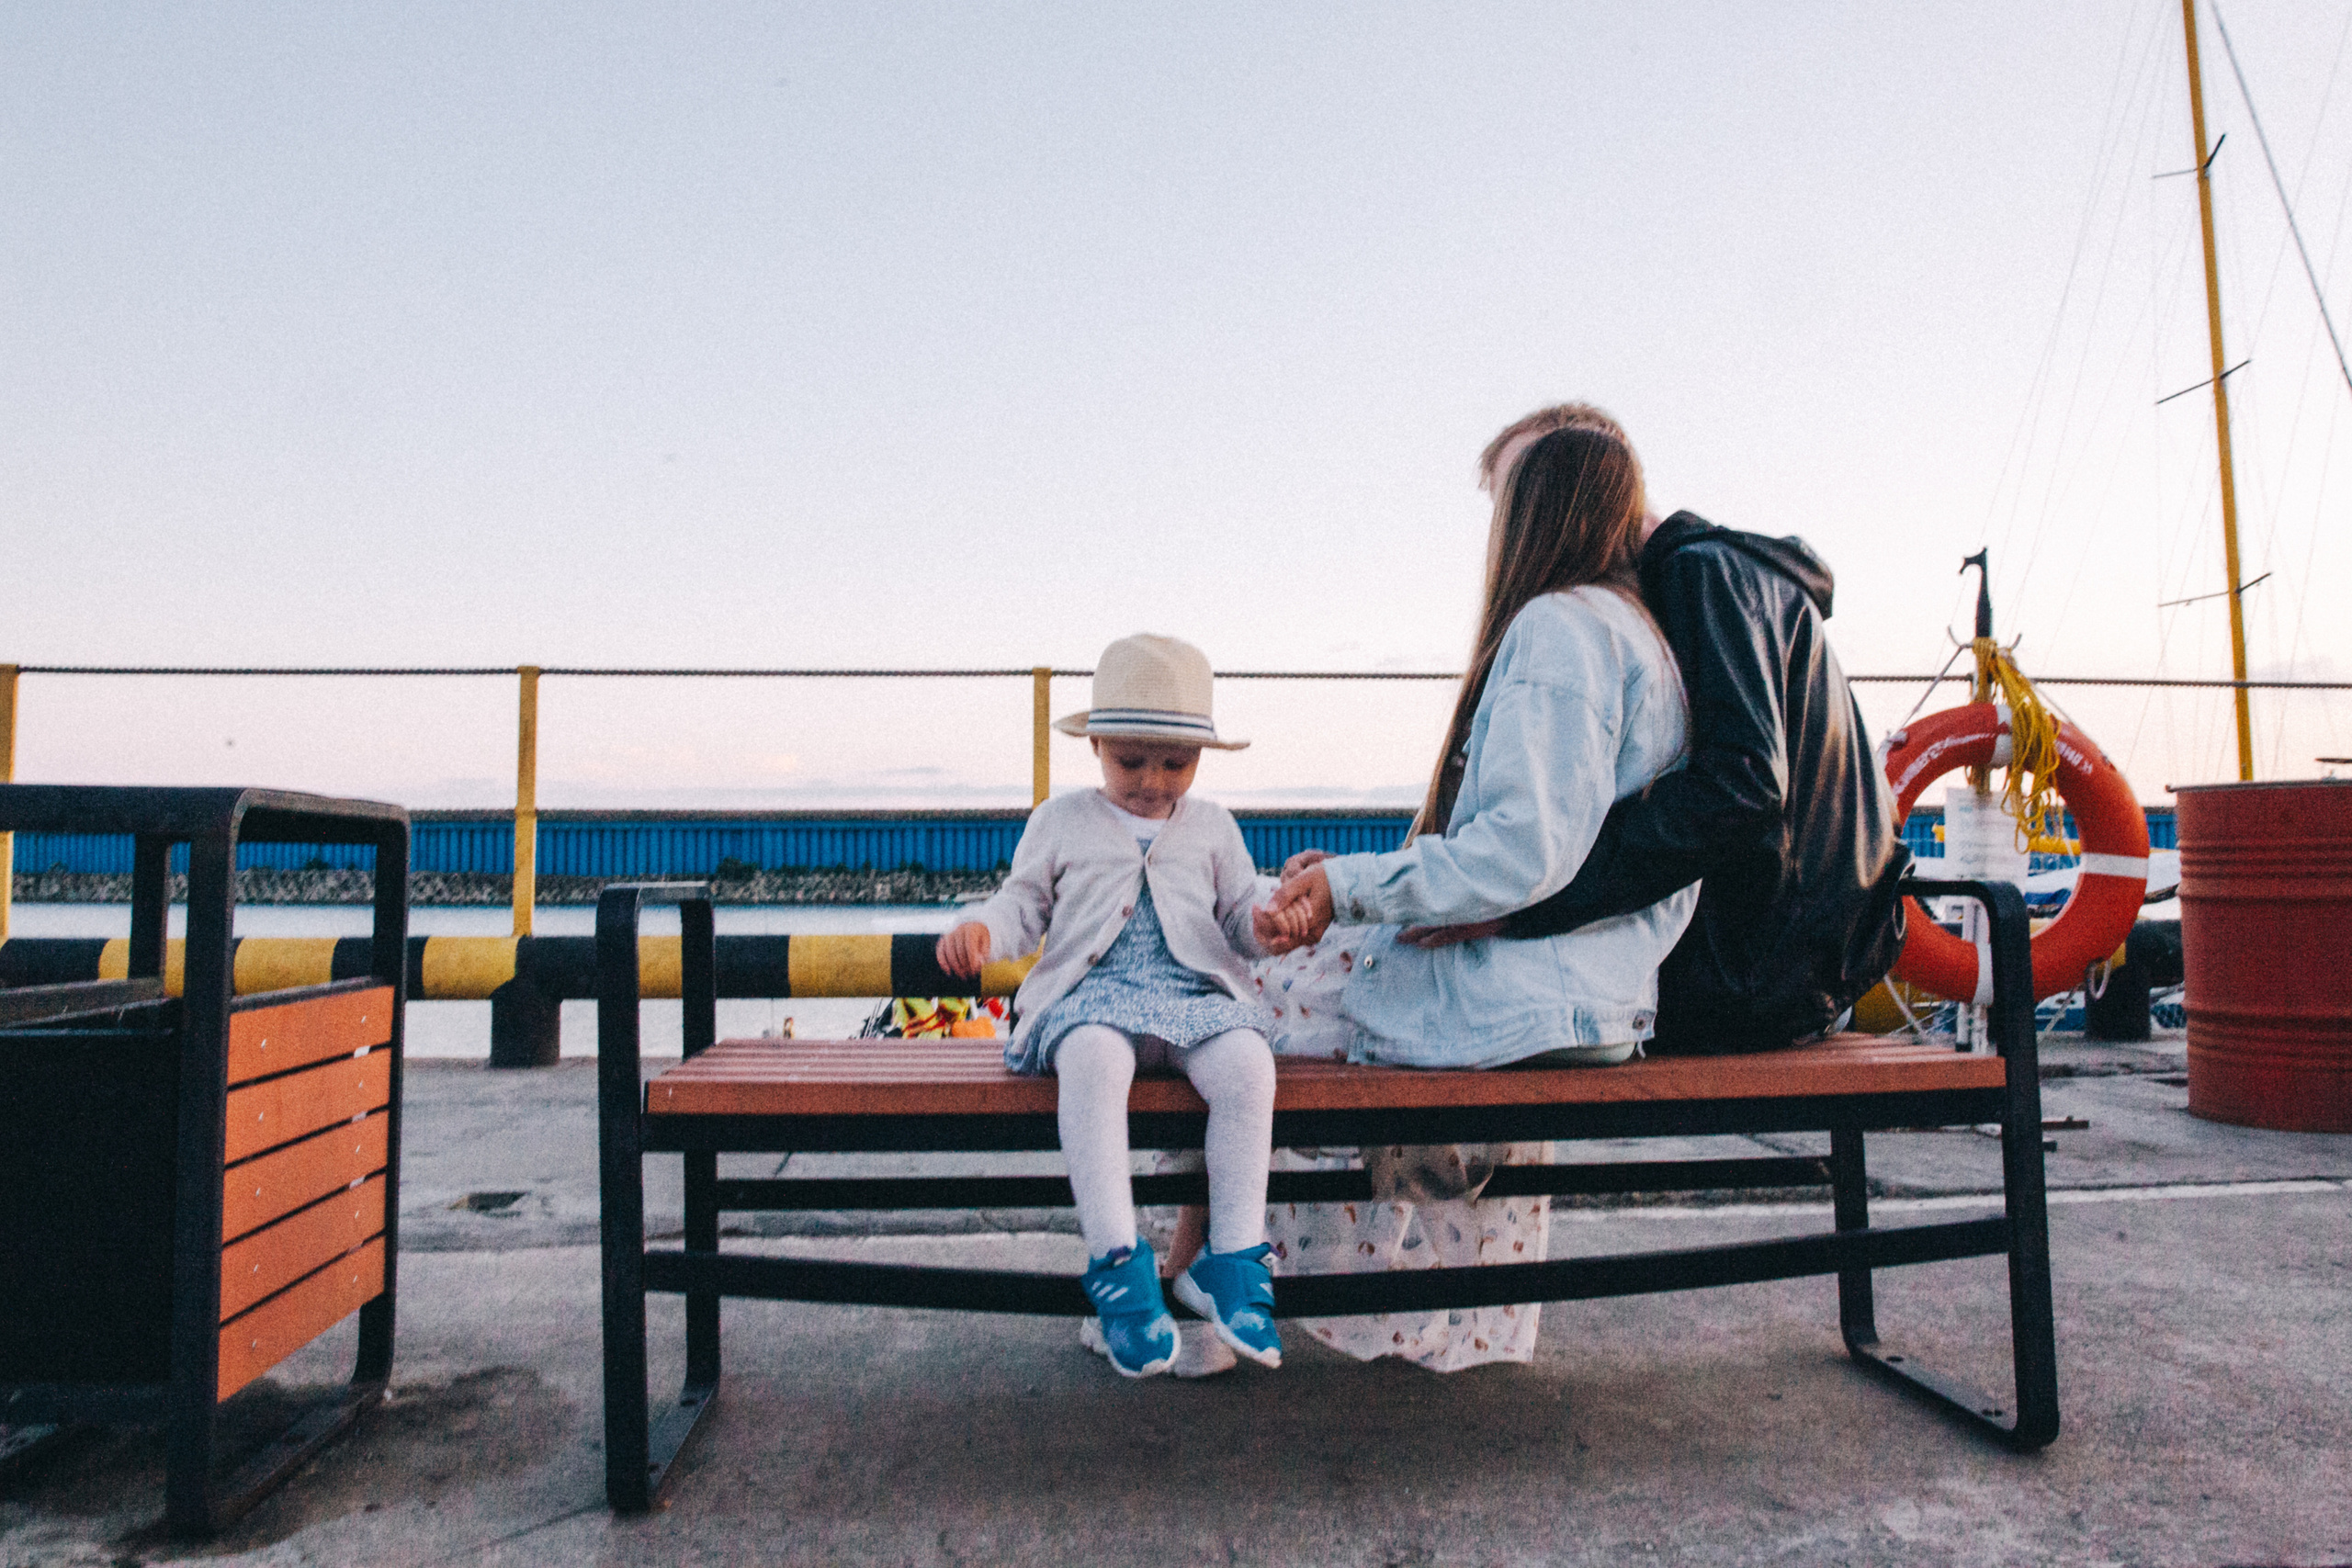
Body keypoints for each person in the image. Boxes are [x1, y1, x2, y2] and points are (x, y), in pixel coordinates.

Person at [1248, 421, 1697, 1369]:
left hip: (1519, 1004)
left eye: (1500, 503)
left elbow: (1516, 854)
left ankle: (1204, 1292)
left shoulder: (1557, 628)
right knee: (1290, 956)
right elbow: (1556, 846)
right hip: (1593, 992)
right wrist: (1358, 886)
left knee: (1229, 996)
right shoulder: (1649, 640)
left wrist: (1349, 891)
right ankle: (1452, 1313)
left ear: (1533, 511)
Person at [1407, 404, 1911, 1053]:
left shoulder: (1696, 573)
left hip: (1757, 968)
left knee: (1449, 977)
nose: (1518, 520)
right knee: (1449, 956)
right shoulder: (1716, 575)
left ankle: (1439, 1146)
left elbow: (1743, 785)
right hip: (1802, 951)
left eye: (1533, 486)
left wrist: (1528, 900)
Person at [936, 633, 1301, 1379]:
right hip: (1091, 998)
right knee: (1094, 1059)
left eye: (1176, 763)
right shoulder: (1060, 821)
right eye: (1131, 760)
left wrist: (1265, 926)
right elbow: (1023, 905)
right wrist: (982, 930)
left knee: (1247, 1064)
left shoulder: (1213, 827)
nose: (1152, 781)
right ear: (1096, 744)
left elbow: (1237, 917)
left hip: (1192, 995)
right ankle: (1118, 1266)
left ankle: (1231, 1259)